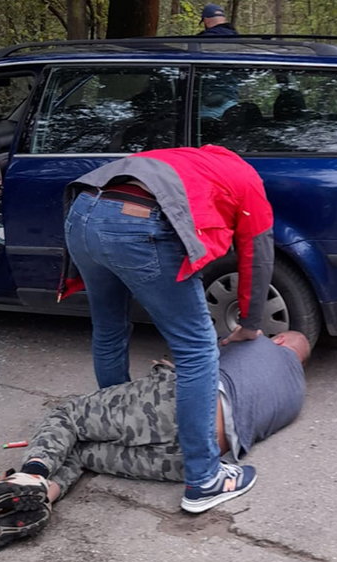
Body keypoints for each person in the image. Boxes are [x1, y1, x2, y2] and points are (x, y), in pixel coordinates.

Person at [0, 332, 310, 555]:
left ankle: (29, 477)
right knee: (84, 452)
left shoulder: (258, 342)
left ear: (279, 339)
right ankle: (44, 495)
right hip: (196, 459)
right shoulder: (296, 397)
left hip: (179, 406)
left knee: (70, 415)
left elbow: (195, 355)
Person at [59, 146, 274, 516]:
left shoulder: (192, 159)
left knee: (109, 327)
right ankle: (204, 479)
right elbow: (258, 253)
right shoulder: (249, 181)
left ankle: (111, 423)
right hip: (136, 222)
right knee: (198, 350)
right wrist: (250, 325)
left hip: (82, 210)